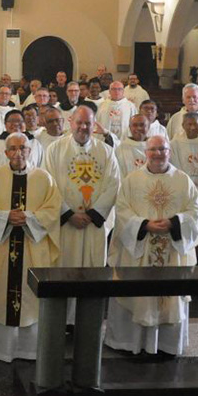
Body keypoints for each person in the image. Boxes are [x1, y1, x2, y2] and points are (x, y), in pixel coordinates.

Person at [105, 135, 198, 357]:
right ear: (145, 153)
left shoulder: (183, 180)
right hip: (140, 250)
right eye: (153, 150)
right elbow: (121, 211)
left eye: (162, 149)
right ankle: (132, 343)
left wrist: (174, 223)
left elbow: (194, 213)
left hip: (172, 250)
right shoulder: (131, 180)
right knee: (140, 295)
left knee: (168, 294)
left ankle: (166, 346)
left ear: (169, 151)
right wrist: (144, 224)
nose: (158, 154)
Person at [0, 133, 61, 362]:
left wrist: (27, 217)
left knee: (29, 298)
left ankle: (28, 350)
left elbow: (53, 210)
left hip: (31, 247)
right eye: (13, 149)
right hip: (1, 248)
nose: (18, 153)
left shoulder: (45, 179)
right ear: (5, 153)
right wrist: (5, 216)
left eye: (23, 148)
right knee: (0, 296)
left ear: (30, 150)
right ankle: (1, 350)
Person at [41, 107, 121, 275]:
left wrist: (93, 215)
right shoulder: (54, 150)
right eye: (79, 122)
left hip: (93, 226)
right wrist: (68, 214)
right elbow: (48, 186)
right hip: (66, 226)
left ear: (94, 125)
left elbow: (113, 185)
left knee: (92, 278)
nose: (83, 127)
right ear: (70, 122)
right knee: (63, 276)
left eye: (88, 123)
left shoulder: (106, 152)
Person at [170, 112, 198, 192]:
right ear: (183, 125)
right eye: (189, 124)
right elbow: (175, 166)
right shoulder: (174, 144)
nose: (193, 128)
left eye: (195, 124)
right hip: (183, 188)